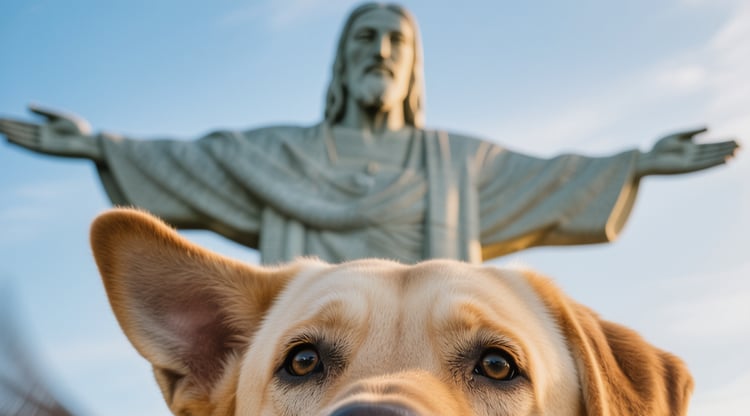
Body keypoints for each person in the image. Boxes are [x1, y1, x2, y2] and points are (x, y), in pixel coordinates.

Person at [0, 3, 739, 264]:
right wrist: (99, 144)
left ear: (413, 66)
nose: (379, 51)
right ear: (341, 60)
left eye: (395, 41)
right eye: (365, 38)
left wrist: (637, 163)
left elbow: (552, 177)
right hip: (314, 352)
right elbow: (197, 163)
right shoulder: (280, 154)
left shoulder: (455, 160)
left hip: (427, 358)